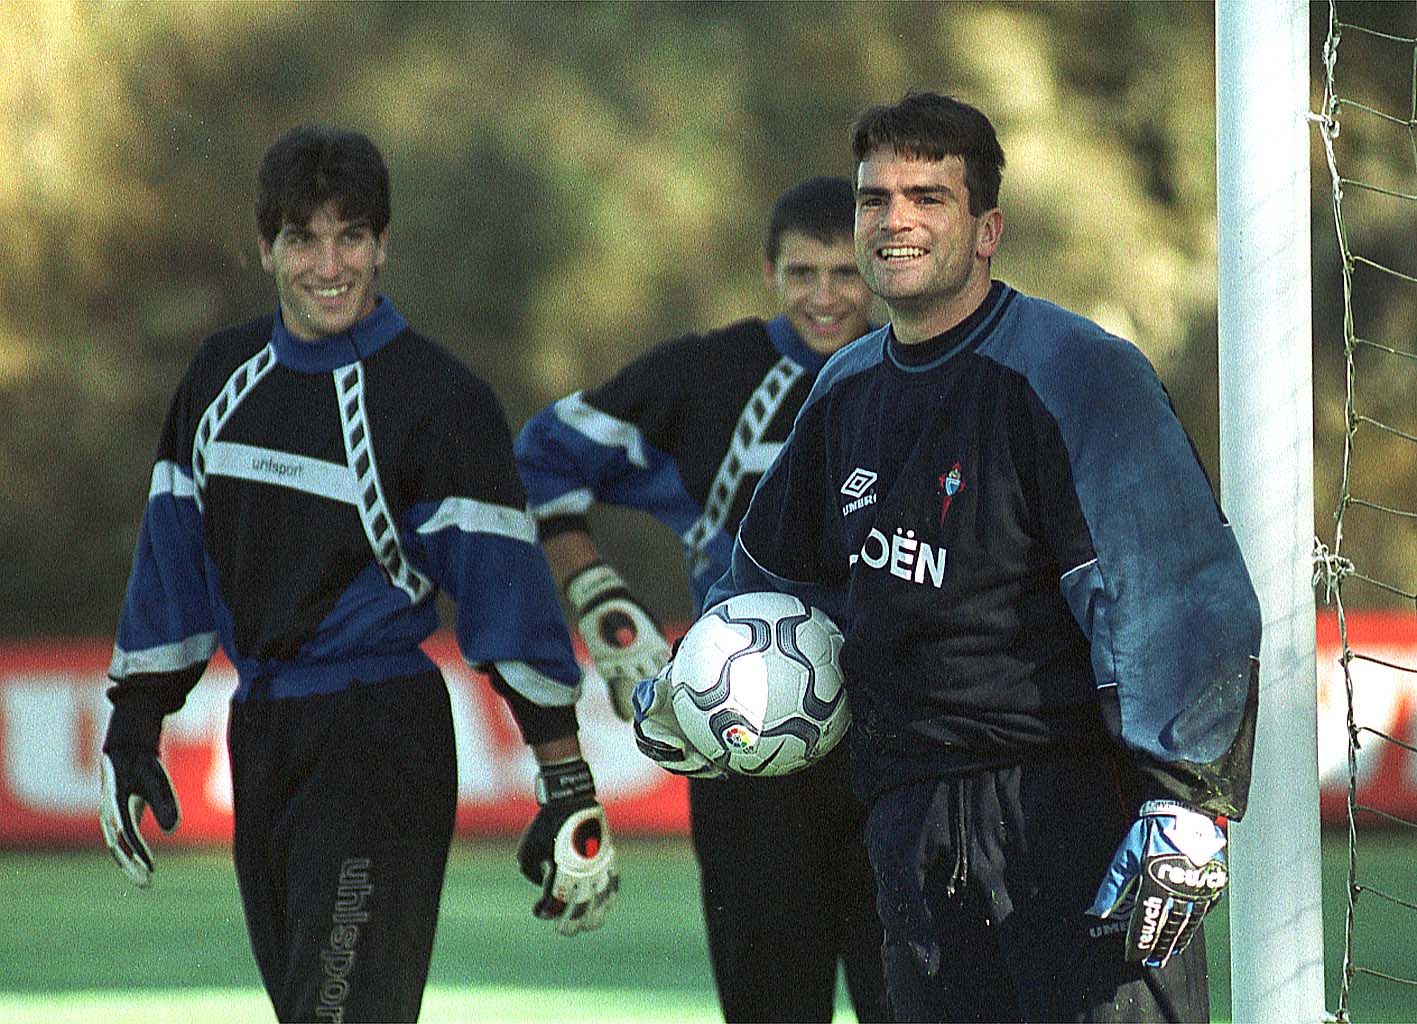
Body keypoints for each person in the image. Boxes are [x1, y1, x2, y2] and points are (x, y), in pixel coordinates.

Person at [638, 92, 1261, 1022]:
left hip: (1073, 823)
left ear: (986, 230)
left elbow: (1172, 593)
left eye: (928, 197)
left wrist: (1186, 803)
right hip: (910, 825)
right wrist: (691, 686)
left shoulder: (1076, 376)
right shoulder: (845, 390)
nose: (895, 221)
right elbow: (769, 580)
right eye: (874, 199)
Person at [98, 124, 619, 1023]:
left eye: (351, 237)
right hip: (261, 733)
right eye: (303, 238)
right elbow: (171, 555)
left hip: (376, 741)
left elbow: (506, 596)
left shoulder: (439, 399)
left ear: (383, 243)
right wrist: (134, 724)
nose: (328, 265)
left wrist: (564, 779)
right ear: (266, 248)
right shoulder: (221, 377)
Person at [515, 177, 892, 1023]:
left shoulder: (917, 368)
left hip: (894, 744)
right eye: (803, 273)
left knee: (908, 1002)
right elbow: (539, 458)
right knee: (768, 1005)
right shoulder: (707, 376)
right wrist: (595, 589)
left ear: (876, 268)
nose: (825, 297)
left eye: (844, 273)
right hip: (739, 747)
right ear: (768, 271)